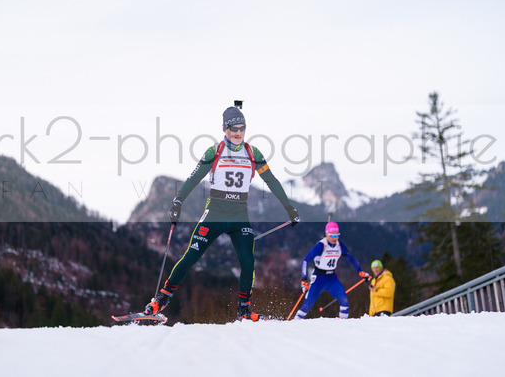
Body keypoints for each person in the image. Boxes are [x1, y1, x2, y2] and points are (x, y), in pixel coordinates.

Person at [145, 105, 301, 321]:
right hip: (215, 213)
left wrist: (289, 208)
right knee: (191, 256)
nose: (238, 132)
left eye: (242, 128)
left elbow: (272, 181)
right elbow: (194, 178)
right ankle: (161, 300)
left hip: (239, 215)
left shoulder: (253, 153)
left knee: (248, 262)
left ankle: (244, 310)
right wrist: (178, 201)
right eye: (233, 128)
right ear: (224, 129)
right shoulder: (214, 151)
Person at [294, 221, 369, 319]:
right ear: (326, 234)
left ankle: (343, 323)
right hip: (318, 278)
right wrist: (304, 279)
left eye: (336, 235)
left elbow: (350, 258)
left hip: (331, 279)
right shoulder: (321, 246)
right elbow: (305, 260)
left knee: (344, 300)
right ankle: (295, 323)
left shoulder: (339, 245)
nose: (334, 238)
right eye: (332, 235)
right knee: (307, 305)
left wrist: (360, 271)